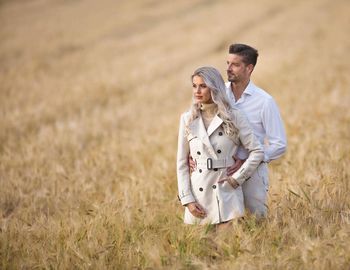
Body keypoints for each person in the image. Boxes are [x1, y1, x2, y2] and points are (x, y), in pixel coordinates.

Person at [177, 66, 264, 226]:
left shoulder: (234, 116)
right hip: (198, 201)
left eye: (203, 86)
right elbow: (181, 164)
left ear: (214, 87)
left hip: (227, 196)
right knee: (198, 251)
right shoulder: (187, 119)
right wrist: (187, 200)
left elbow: (257, 151)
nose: (197, 91)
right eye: (194, 86)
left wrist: (236, 179)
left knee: (229, 249)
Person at [225, 43, 287, 217]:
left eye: (235, 64)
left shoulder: (264, 101)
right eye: (227, 63)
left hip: (253, 174)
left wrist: (250, 160)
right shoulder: (218, 93)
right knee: (225, 222)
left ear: (249, 68)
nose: (228, 68)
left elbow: (279, 143)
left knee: (255, 221)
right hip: (222, 169)